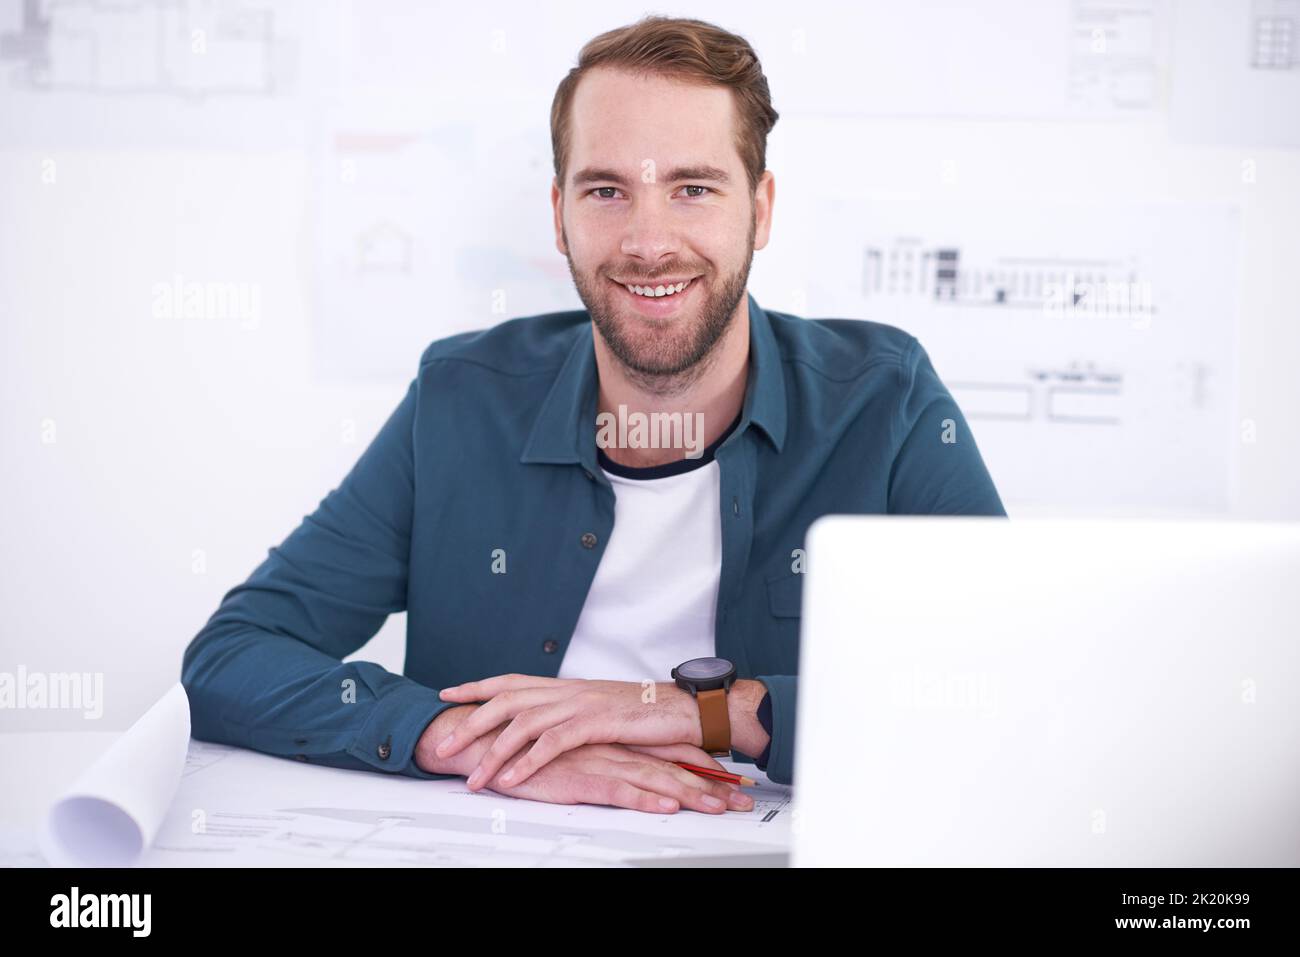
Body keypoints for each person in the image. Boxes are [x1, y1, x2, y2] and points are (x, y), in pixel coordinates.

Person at [181, 15, 1005, 816]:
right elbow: (231, 655)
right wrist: (471, 738)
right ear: (558, 214)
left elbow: (1002, 686)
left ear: (760, 208)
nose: (649, 242)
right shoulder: (461, 399)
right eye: (607, 190)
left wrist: (702, 711)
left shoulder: (885, 401)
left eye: (692, 188)